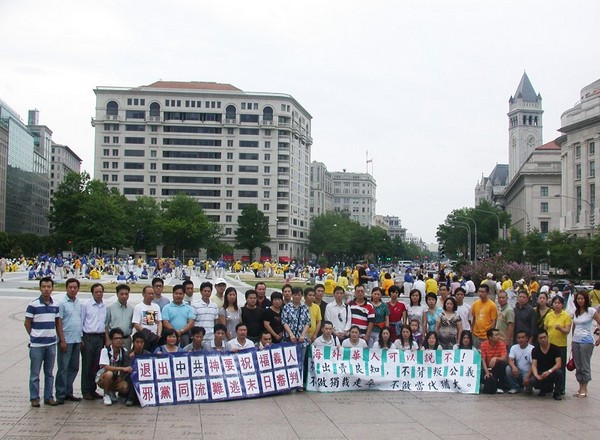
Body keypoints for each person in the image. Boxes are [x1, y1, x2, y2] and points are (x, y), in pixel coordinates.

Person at [25, 277, 63, 407]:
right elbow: (27, 323)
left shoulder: (55, 305)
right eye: (44, 287)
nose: (46, 289)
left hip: (51, 344)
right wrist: (34, 335)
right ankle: (34, 397)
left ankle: (48, 397)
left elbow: (58, 323)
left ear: (52, 288)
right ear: (40, 288)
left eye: (49, 287)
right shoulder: (33, 304)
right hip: (37, 345)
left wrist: (60, 338)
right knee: (35, 373)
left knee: (49, 373)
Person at [56, 278, 83, 404]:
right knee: (63, 368)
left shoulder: (79, 303)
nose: (72, 289)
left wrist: (81, 337)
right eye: (70, 287)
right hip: (66, 340)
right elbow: (59, 322)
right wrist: (62, 339)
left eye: (75, 287)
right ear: (66, 288)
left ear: (78, 289)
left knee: (74, 367)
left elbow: (80, 321)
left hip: (77, 340)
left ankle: (68, 392)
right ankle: (60, 393)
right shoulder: (62, 303)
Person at [81, 283, 107, 401]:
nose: (99, 294)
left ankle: (93, 389)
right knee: (87, 364)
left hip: (100, 338)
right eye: (96, 292)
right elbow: (81, 322)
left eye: (100, 291)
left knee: (96, 365)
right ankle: (86, 390)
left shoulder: (104, 306)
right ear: (92, 293)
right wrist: (81, 338)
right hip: (88, 337)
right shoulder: (86, 305)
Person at [571, 291, 600, 398]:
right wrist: (572, 339)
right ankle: (580, 386)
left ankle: (585, 387)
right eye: (578, 299)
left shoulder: (591, 311)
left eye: (582, 299)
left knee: (585, 365)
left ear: (586, 300)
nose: (580, 301)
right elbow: (574, 326)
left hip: (586, 341)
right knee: (578, 366)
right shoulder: (575, 311)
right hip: (576, 341)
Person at [96, 328, 131, 406]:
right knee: (109, 374)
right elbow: (106, 367)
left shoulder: (124, 351)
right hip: (103, 377)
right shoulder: (105, 350)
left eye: (120, 338)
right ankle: (106, 394)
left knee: (125, 387)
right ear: (111, 340)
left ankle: (111, 391)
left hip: (116, 378)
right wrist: (121, 369)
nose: (118, 340)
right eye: (116, 338)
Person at [544, 295, 571, 394]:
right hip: (550, 345)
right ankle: (549, 386)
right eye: (555, 303)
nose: (557, 305)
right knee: (549, 366)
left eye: (559, 303)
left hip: (561, 345)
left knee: (560, 367)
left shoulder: (566, 316)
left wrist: (561, 329)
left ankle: (560, 388)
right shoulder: (549, 315)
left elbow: (567, 331)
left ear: (562, 305)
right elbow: (545, 329)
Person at [529, 330, 563, 400]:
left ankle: (557, 393)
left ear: (547, 337)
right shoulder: (535, 350)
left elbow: (558, 364)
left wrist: (549, 371)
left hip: (552, 372)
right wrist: (536, 375)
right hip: (541, 372)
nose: (543, 339)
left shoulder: (555, 348)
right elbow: (534, 365)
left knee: (559, 373)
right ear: (538, 339)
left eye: (544, 337)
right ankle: (543, 389)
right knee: (532, 380)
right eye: (541, 338)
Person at [132, 286, 162, 352]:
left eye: (152, 293)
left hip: (155, 339)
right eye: (149, 293)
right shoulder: (138, 307)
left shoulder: (156, 306)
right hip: (144, 339)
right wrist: (148, 334)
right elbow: (136, 324)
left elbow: (159, 322)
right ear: (143, 294)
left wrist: (158, 335)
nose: (151, 295)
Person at [124, 332, 151, 406]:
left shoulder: (147, 354)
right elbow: (127, 369)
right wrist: (132, 360)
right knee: (133, 376)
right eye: (137, 342)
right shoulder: (127, 354)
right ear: (133, 343)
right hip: (130, 376)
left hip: (145, 375)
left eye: (141, 342)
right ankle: (130, 398)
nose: (139, 344)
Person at [105, 284, 134, 351]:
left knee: (126, 359)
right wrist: (108, 339)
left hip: (126, 340)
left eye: (126, 294)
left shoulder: (131, 309)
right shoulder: (110, 308)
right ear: (117, 294)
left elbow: (132, 325)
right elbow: (106, 326)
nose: (124, 296)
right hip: (114, 340)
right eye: (122, 294)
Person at [480, 328, 508, 394]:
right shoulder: (483, 345)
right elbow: (483, 359)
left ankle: (500, 387)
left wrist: (496, 358)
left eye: (498, 334)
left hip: (497, 367)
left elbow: (504, 358)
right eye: (496, 335)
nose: (498, 336)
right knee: (488, 388)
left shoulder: (502, 344)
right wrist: (487, 372)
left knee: (502, 364)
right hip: (487, 367)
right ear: (490, 337)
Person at [471, 284, 497, 348]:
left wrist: (490, 335)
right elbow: (474, 318)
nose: (480, 293)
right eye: (479, 291)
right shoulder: (475, 304)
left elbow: (493, 321)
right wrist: (472, 330)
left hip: (486, 336)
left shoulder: (492, 305)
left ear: (487, 293)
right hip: (476, 335)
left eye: (483, 292)